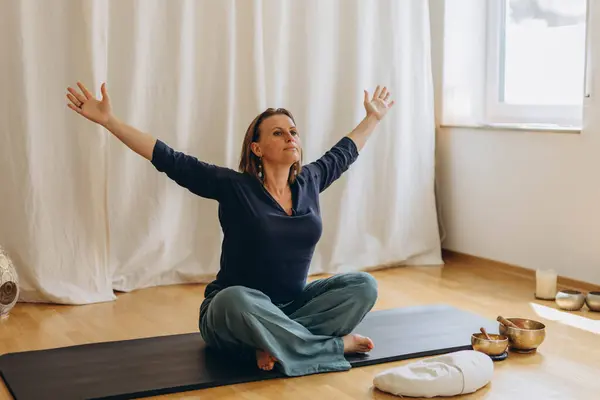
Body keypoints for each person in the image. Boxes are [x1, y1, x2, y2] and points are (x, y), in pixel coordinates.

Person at [66, 81, 395, 376]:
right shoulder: (234, 187)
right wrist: (109, 121)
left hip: (290, 308)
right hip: (235, 312)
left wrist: (374, 117)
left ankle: (272, 344)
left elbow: (346, 151)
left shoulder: (311, 179)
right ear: (256, 147)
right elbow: (168, 158)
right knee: (233, 299)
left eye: (293, 131)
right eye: (278, 132)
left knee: (363, 285)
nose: (290, 137)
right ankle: (330, 347)